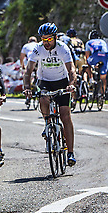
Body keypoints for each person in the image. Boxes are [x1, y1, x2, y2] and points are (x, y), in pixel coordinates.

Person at [23, 22, 77, 166]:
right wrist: (27, 87)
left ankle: (70, 152)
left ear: (54, 37)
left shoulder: (62, 48)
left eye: (49, 39)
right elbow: (28, 71)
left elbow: (71, 70)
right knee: (43, 99)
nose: (46, 42)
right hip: (45, 80)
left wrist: (71, 85)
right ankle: (47, 123)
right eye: (43, 39)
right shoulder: (38, 48)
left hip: (62, 81)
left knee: (65, 115)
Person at [85, 30, 108, 96]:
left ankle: (91, 78)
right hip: (105, 56)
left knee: (87, 62)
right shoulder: (103, 41)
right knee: (103, 77)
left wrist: (91, 63)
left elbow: (87, 56)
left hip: (96, 55)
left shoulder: (88, 42)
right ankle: (102, 94)